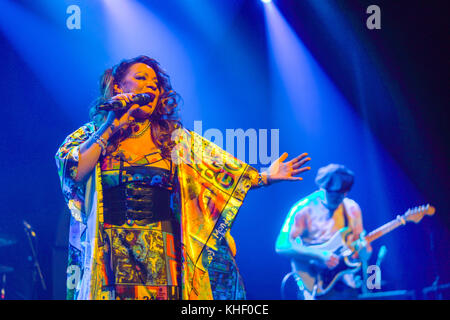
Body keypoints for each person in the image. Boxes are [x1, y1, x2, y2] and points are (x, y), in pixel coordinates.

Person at [55, 55, 311, 300]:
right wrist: (111, 126)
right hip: (109, 251)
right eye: (142, 79)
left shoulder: (174, 139)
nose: (151, 87)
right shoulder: (91, 134)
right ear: (119, 85)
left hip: (161, 255)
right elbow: (74, 171)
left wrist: (266, 176)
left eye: (155, 84)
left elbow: (223, 172)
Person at [275, 164, 371, 300]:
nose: (339, 198)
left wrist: (364, 250)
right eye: (335, 192)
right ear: (323, 187)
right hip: (314, 283)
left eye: (344, 192)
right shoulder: (304, 209)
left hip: (345, 284)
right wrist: (320, 255)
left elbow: (361, 252)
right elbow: (282, 245)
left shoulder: (352, 209)